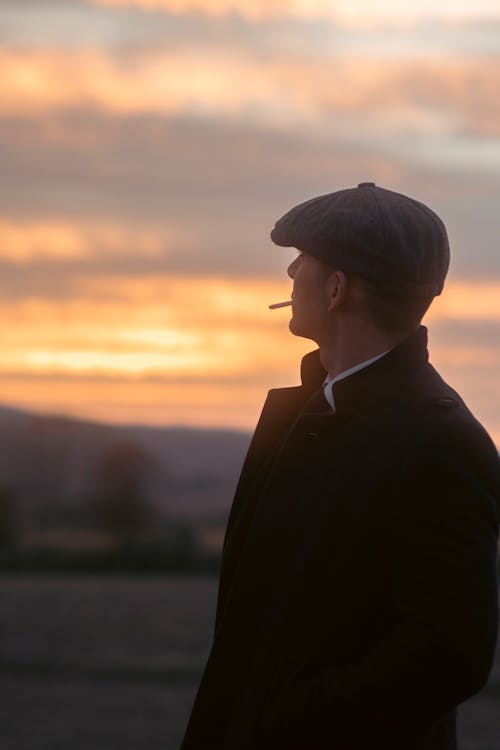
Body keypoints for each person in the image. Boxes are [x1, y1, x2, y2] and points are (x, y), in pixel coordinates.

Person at [180, 183, 500, 750]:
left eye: (302, 260)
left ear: (335, 289)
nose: (291, 273)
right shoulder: (306, 416)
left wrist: (289, 723)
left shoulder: (439, 442)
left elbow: (449, 653)